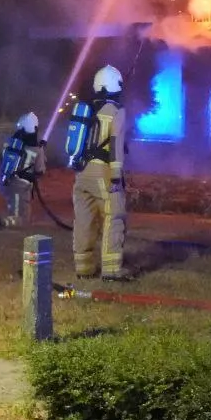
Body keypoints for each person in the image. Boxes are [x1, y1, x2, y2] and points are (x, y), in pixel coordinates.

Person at [71, 64, 129, 280]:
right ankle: (112, 270)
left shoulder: (87, 110)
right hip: (103, 173)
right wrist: (116, 177)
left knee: (84, 220)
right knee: (113, 217)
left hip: (81, 175)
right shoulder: (117, 113)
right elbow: (116, 146)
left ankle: (84, 268)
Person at [0, 112, 47, 228]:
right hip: (21, 187)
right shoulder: (37, 149)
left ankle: (7, 217)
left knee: (18, 213)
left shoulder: (12, 143)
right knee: (22, 220)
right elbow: (40, 171)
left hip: (7, 182)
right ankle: (2, 222)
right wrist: (43, 152)